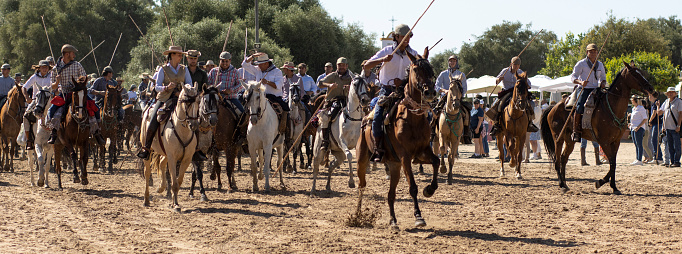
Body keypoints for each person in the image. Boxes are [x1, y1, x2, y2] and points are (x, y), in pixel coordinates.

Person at [137, 45, 206, 161]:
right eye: (179, 55)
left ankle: (196, 149)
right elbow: (155, 86)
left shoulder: (184, 69)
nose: (180, 57)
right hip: (164, 99)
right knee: (153, 119)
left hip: (181, 99)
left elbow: (189, 83)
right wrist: (166, 87)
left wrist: (184, 90)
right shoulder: (163, 69)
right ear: (172, 55)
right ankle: (147, 148)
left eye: (181, 55)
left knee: (194, 118)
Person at [362, 24, 419, 162]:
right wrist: (382, 59)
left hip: (405, 92)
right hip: (387, 91)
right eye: (404, 37)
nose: (407, 40)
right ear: (397, 37)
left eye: (409, 37)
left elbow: (419, 71)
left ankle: (421, 147)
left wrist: (404, 81)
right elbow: (366, 65)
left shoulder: (413, 54)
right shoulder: (387, 51)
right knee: (377, 116)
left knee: (424, 113)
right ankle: (378, 148)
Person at [47, 44, 104, 145]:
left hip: (78, 93)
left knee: (95, 107)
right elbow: (53, 87)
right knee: (52, 110)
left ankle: (97, 132)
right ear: (67, 54)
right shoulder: (55, 69)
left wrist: (80, 82)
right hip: (64, 94)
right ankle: (53, 133)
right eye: (73, 53)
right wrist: (57, 81)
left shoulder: (77, 65)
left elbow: (85, 79)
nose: (74, 55)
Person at [486, 57, 538, 136]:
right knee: (498, 105)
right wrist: (499, 79)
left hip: (518, 93)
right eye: (515, 65)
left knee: (531, 104)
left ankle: (530, 123)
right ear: (511, 64)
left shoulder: (521, 72)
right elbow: (496, 81)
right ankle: (496, 125)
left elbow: (529, 84)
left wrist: (525, 84)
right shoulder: (505, 71)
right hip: (507, 92)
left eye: (518, 65)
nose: (516, 67)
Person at [241, 52, 289, 133]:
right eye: (258, 64)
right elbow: (244, 64)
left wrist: (267, 82)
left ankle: (286, 132)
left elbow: (279, 86)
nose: (258, 66)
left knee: (285, 109)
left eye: (260, 64)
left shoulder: (277, 72)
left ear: (266, 63)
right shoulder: (258, 70)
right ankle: (243, 132)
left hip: (273, 97)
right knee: (245, 108)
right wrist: (253, 56)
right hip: (259, 96)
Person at [570, 43, 607, 141]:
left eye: (595, 51)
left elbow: (603, 78)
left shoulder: (600, 64)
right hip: (584, 89)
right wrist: (581, 82)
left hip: (596, 89)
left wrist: (603, 83)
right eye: (591, 51)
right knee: (580, 106)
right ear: (587, 52)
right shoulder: (581, 63)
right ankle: (576, 131)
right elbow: (573, 77)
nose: (593, 53)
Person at [207, 51, 246, 143]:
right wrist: (214, 90)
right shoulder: (213, 71)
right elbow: (208, 83)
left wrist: (230, 90)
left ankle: (241, 135)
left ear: (230, 61)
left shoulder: (235, 72)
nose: (224, 63)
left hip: (230, 98)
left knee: (243, 114)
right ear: (219, 61)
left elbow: (240, 85)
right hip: (216, 99)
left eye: (226, 61)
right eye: (222, 61)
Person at [318, 57, 354, 151]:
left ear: (346, 66)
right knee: (325, 118)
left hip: (347, 101)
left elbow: (357, 85)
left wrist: (350, 87)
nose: (341, 67)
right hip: (332, 101)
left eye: (343, 65)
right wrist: (329, 85)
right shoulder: (333, 75)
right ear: (336, 66)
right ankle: (325, 141)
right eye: (339, 65)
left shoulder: (351, 76)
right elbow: (320, 83)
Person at [22, 60, 53, 149]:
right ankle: (29, 140)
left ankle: (57, 138)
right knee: (26, 115)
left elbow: (56, 86)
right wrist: (27, 98)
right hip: (36, 100)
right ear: (39, 68)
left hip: (48, 100)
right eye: (43, 67)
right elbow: (24, 87)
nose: (44, 69)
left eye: (46, 67)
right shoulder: (34, 77)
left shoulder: (51, 77)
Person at [656, 87, 682, 167]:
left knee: (677, 146)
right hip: (667, 128)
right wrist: (657, 106)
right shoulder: (666, 102)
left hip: (675, 127)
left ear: (675, 93)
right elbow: (660, 113)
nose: (670, 94)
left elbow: (681, 114)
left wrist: (678, 125)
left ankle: (677, 161)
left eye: (672, 92)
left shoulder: (679, 102)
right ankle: (672, 161)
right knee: (670, 146)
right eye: (669, 92)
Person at [629, 96, 647, 165]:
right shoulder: (634, 108)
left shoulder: (641, 108)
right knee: (636, 144)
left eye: (632, 100)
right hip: (633, 128)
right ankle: (637, 159)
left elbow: (645, 119)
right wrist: (631, 124)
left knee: (639, 144)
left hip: (639, 128)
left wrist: (639, 126)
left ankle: (639, 159)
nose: (631, 101)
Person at [648, 93, 663, 164]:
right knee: (654, 140)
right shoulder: (653, 103)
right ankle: (657, 157)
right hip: (655, 124)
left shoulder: (655, 103)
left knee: (654, 140)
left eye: (649, 96)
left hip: (657, 124)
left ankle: (658, 157)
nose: (649, 97)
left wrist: (650, 120)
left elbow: (654, 113)